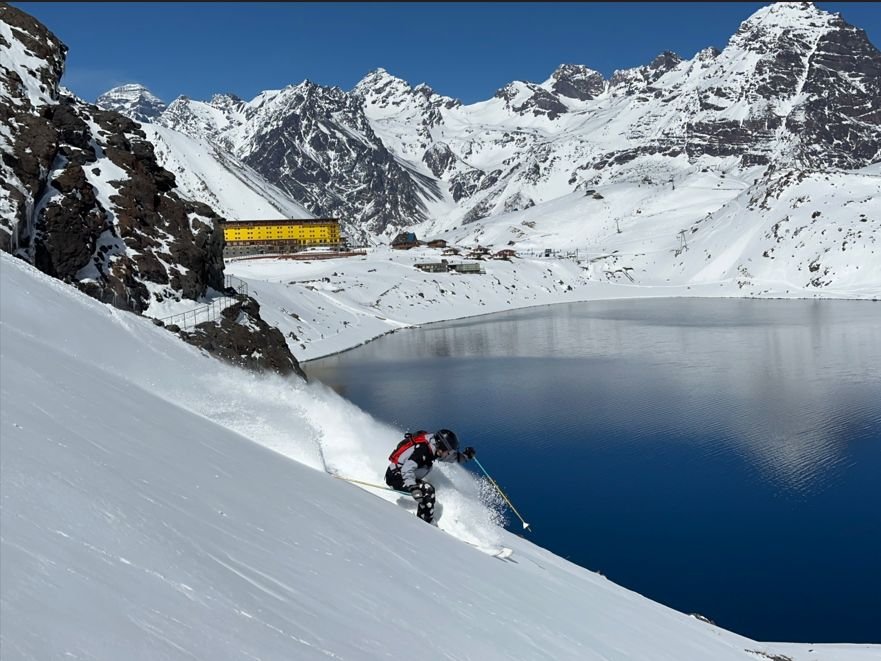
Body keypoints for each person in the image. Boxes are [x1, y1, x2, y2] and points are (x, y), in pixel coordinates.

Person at [385, 429, 476, 524]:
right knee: (428, 490)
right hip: (395, 478)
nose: (449, 453)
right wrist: (413, 488)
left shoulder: (433, 448)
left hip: (404, 477)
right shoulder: (423, 450)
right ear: (442, 447)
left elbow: (449, 457)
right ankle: (425, 525)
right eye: (448, 451)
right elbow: (406, 469)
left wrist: (465, 456)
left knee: (428, 490)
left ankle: (424, 521)